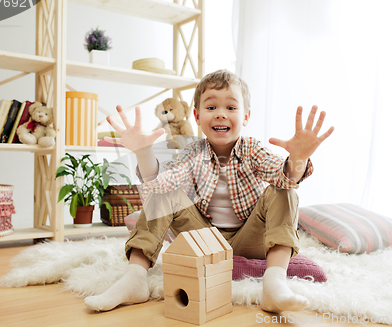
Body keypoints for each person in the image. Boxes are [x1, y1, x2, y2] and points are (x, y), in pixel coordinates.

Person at [84, 70, 334, 313]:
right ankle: (135, 278)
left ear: (246, 116)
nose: (221, 115)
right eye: (211, 107)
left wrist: (297, 159)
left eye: (231, 108)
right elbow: (161, 183)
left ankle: (275, 282)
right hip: (205, 239)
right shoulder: (193, 153)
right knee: (165, 192)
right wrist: (142, 152)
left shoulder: (252, 149)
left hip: (251, 238)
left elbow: (282, 175)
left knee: (284, 190)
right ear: (196, 115)